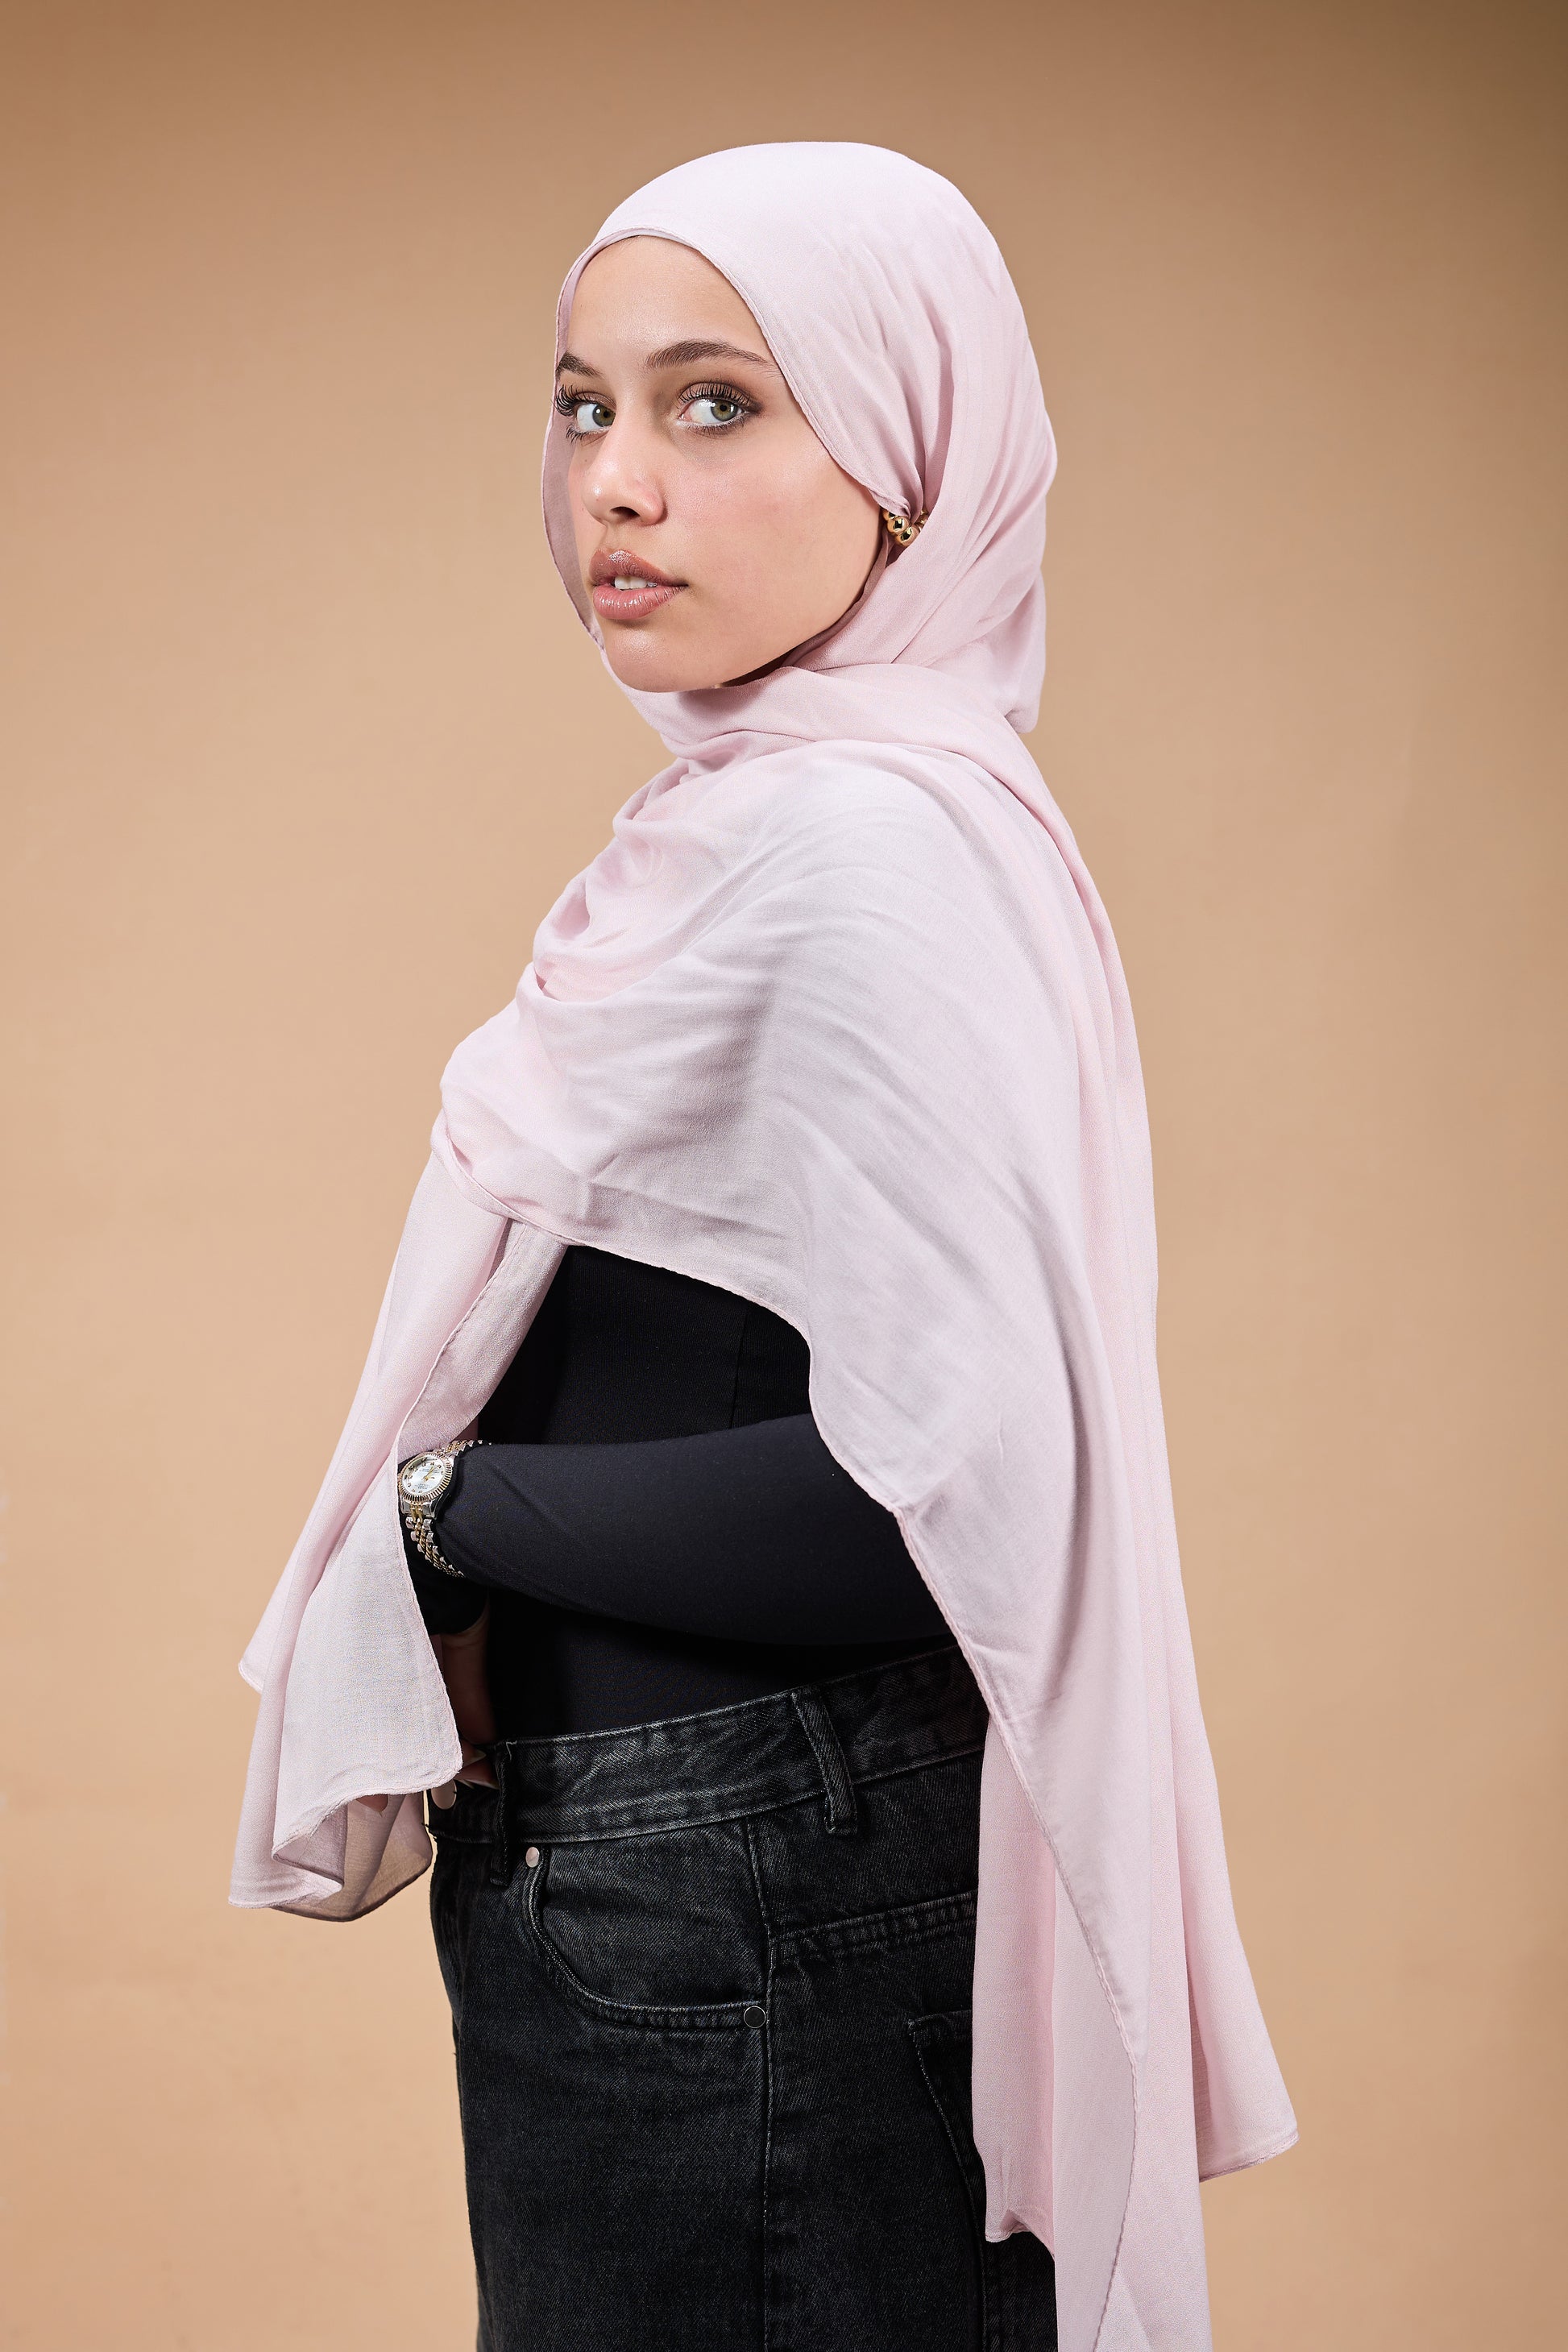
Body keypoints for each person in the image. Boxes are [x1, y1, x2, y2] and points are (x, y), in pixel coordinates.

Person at [233, 145, 1296, 2352]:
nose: (614, 482)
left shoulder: (859, 846)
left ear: (908, 468)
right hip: (700, 1851)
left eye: (715, 403)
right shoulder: (759, 823)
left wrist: (445, 1518)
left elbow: (945, 1499)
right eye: (583, 406)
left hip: (736, 1874)